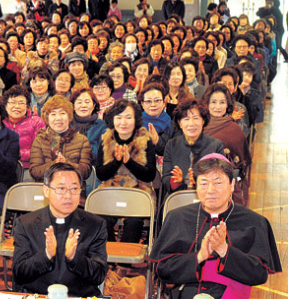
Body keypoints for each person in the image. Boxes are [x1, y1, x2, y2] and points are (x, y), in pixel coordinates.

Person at [150, 154, 282, 299]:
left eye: (218, 183)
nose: (210, 190)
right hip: (187, 291)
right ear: (196, 186)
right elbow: (163, 271)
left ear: (231, 185)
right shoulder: (178, 217)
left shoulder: (254, 222)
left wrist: (224, 250)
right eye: (204, 183)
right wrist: (200, 256)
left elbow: (259, 275)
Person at [12, 162, 108, 296]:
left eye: (74, 189)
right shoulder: (26, 224)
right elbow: (19, 274)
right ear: (46, 190)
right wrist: (46, 256)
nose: (68, 196)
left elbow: (98, 276)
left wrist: (74, 258)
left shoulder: (95, 225)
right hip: (39, 295)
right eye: (61, 189)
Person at [96, 100, 156, 242]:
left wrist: (129, 162)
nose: (123, 122)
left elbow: (150, 175)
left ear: (135, 119)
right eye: (119, 117)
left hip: (138, 192)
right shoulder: (106, 139)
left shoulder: (145, 139)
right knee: (101, 219)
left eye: (128, 117)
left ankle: (126, 261)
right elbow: (101, 174)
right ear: (112, 120)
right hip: (111, 192)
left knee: (134, 221)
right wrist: (117, 161)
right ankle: (109, 259)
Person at [162, 99, 224, 197]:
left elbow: (221, 178)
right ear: (180, 123)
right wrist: (175, 182)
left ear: (203, 121)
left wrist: (200, 182)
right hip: (177, 197)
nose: (191, 123)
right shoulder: (171, 145)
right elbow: (165, 179)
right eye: (186, 119)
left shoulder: (216, 145)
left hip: (207, 198)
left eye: (196, 118)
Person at [202, 84, 251, 206]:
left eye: (222, 102)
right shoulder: (198, 125)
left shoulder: (234, 128)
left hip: (227, 183)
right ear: (207, 104)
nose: (217, 107)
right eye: (213, 102)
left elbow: (244, 159)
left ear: (227, 105)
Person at [29, 95, 92, 182]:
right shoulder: (40, 140)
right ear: (47, 118)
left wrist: (66, 164)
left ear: (69, 116)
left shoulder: (82, 140)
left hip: (73, 189)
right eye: (53, 114)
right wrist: (54, 164)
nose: (58, 118)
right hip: (45, 188)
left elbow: (86, 172)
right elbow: (34, 171)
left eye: (62, 113)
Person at [71, 89, 107, 162]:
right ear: (73, 106)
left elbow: (101, 154)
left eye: (87, 102)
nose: (83, 105)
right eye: (79, 102)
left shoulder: (101, 126)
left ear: (93, 106)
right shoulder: (67, 124)